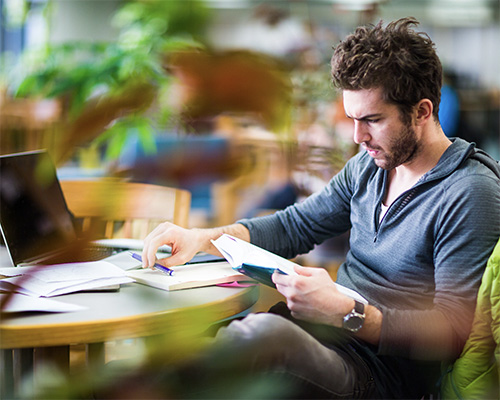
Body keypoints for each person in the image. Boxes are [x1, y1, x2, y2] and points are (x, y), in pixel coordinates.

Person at [141, 18, 500, 399]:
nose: (357, 137)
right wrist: (201, 238)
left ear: (422, 111)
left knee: (264, 339)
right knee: (199, 347)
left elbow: (453, 332)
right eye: (353, 119)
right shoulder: (370, 166)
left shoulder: (470, 192)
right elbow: (295, 226)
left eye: (372, 120)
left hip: (384, 374)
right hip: (327, 338)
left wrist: (348, 311)